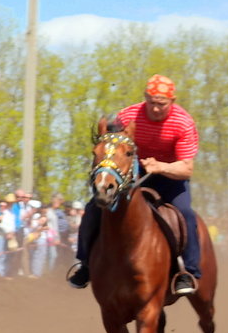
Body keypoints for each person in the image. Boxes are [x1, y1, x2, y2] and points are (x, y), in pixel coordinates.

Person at [68, 74, 201, 295]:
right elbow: (112, 148)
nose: (156, 109)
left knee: (186, 213)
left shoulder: (183, 123)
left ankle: (188, 271)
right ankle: (85, 265)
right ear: (145, 98)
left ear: (172, 101)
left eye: (162, 104)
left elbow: (187, 168)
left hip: (170, 176)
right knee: (93, 209)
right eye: (151, 103)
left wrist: (161, 167)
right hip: (135, 175)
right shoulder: (129, 116)